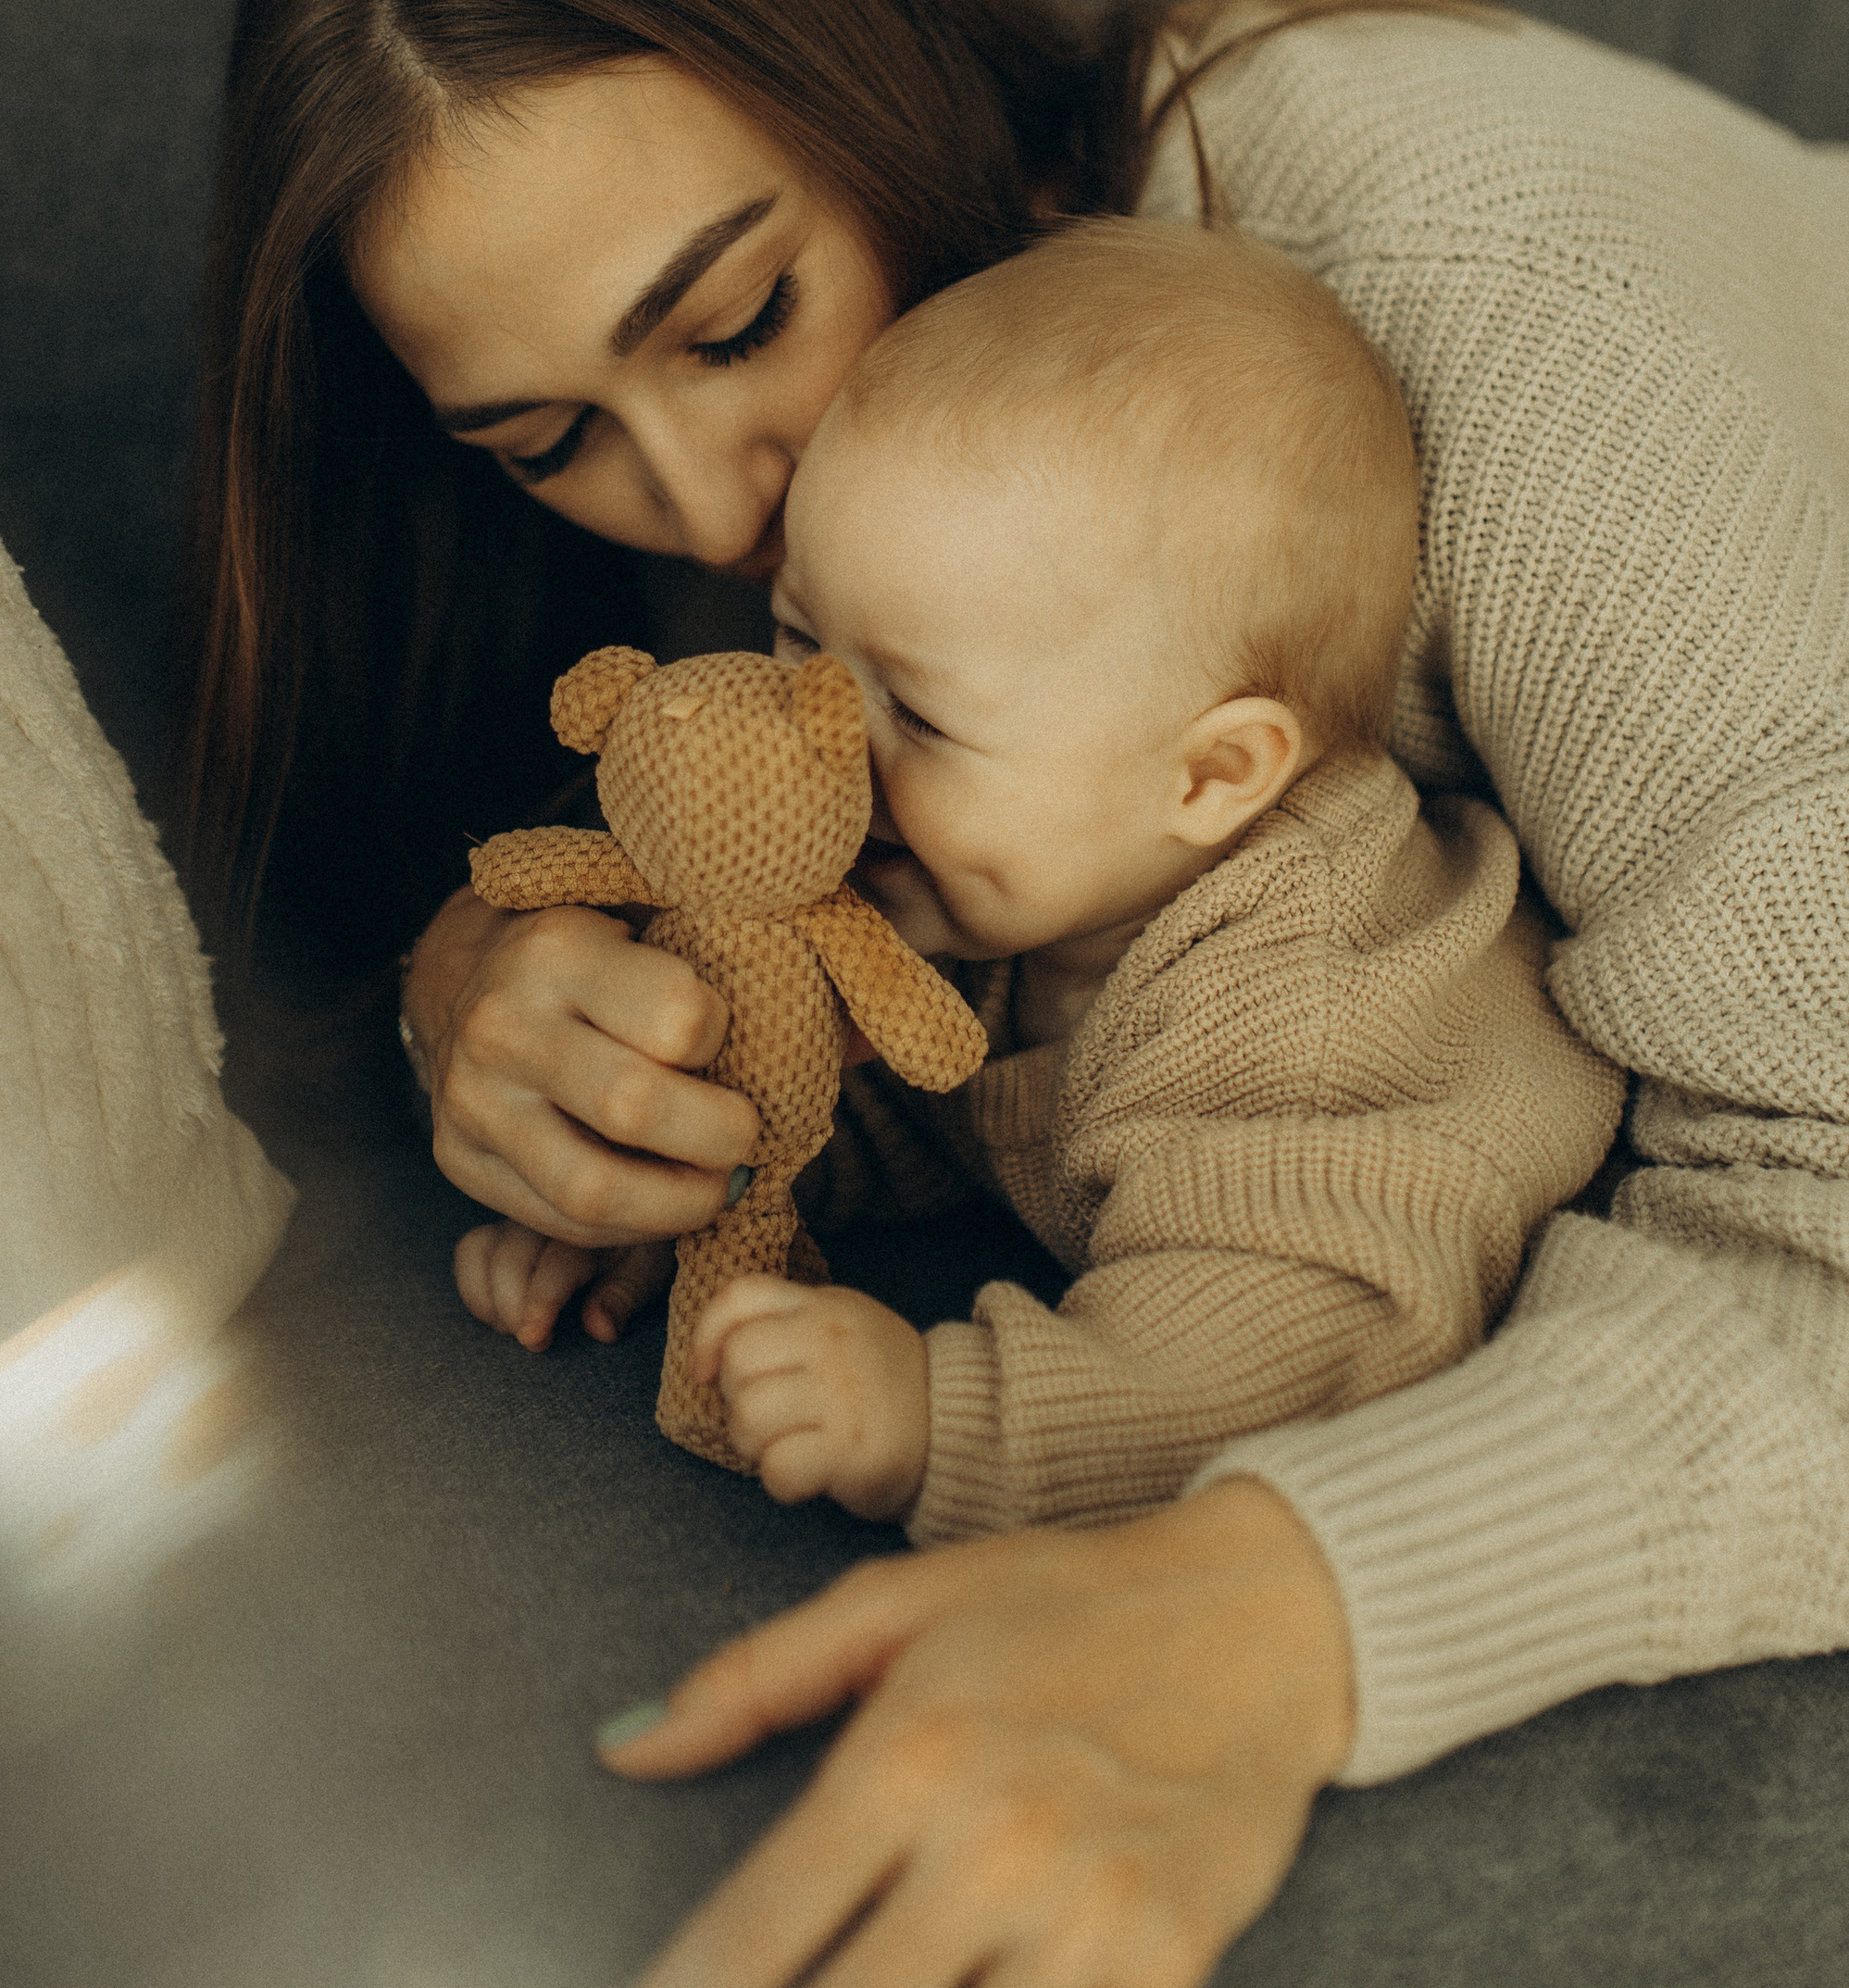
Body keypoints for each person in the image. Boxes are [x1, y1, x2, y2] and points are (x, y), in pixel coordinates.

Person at [184, 0, 1849, 1988]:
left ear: (874, 82)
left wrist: (1264, 1616)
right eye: (549, 447)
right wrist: (476, 966)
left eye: (735, 321)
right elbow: (668, 799)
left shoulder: (1510, 308)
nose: (714, 513)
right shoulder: (767, 519)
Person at [454, 218, 1625, 1534]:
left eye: (927, 718)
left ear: (1212, 776)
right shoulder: (1027, 862)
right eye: (797, 639)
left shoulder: (1308, 1017)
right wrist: (671, 1181)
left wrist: (936, 1415)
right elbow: (918, 1095)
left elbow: (1284, 1356)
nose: (825, 745)